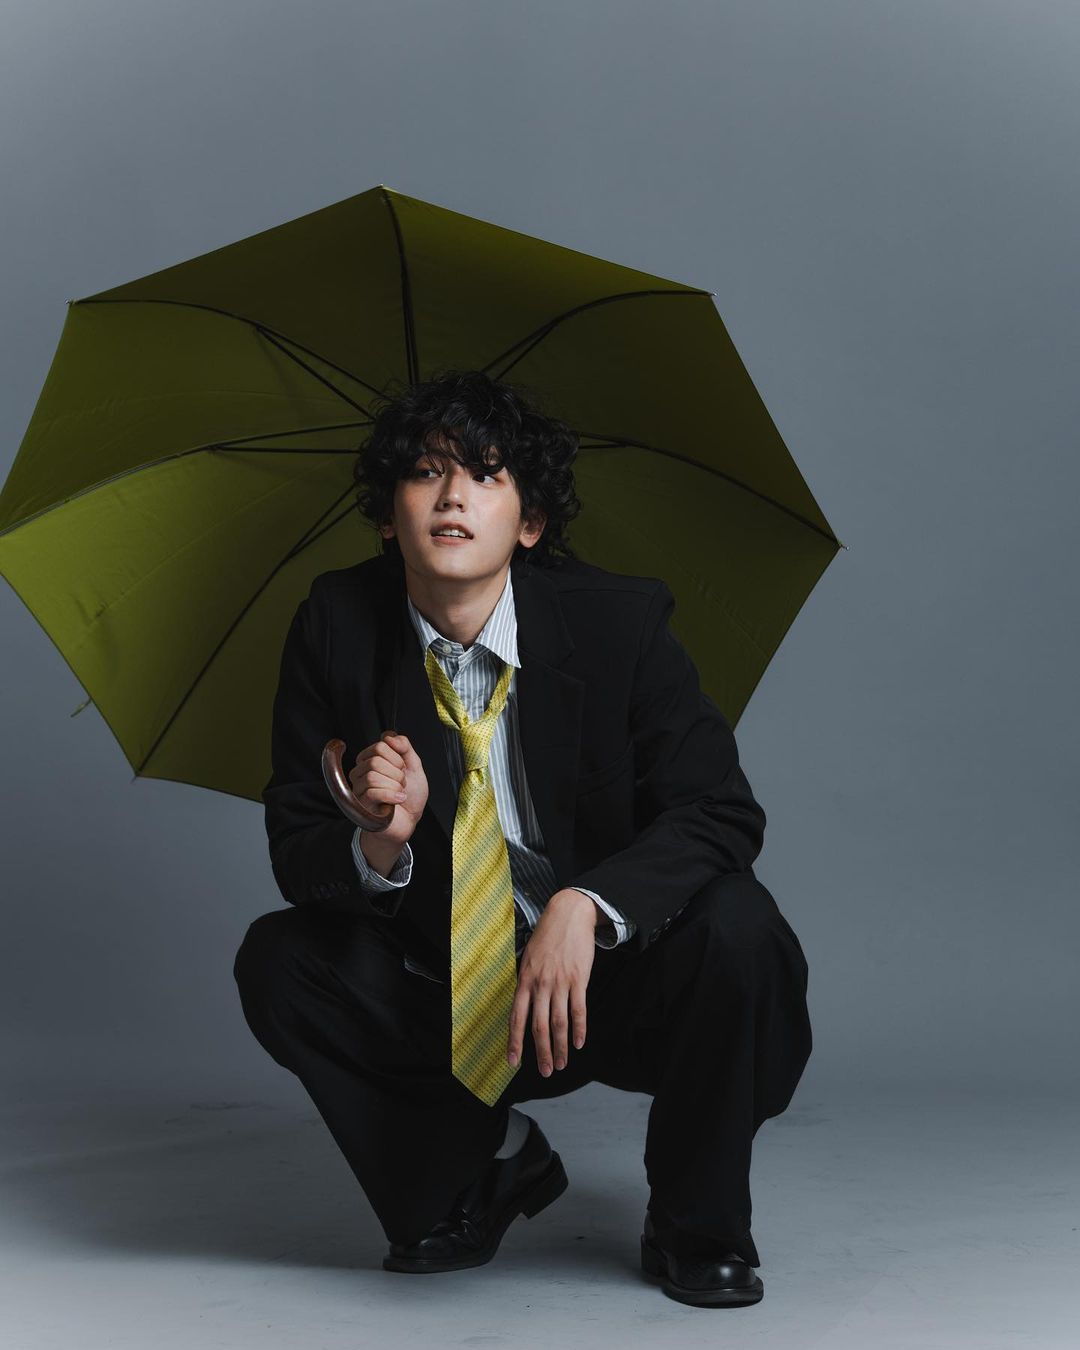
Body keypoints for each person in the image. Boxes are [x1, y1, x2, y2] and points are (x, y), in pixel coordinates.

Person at [233, 369, 812, 1309]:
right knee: (280, 960)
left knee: (739, 929)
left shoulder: (620, 623)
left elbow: (719, 811)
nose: (453, 496)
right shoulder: (335, 624)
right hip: (452, 990)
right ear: (385, 516)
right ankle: (484, 1167)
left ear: (531, 522)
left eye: (486, 474)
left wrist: (588, 905)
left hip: (610, 983)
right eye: (425, 472)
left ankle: (696, 1222)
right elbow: (296, 849)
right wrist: (379, 841)